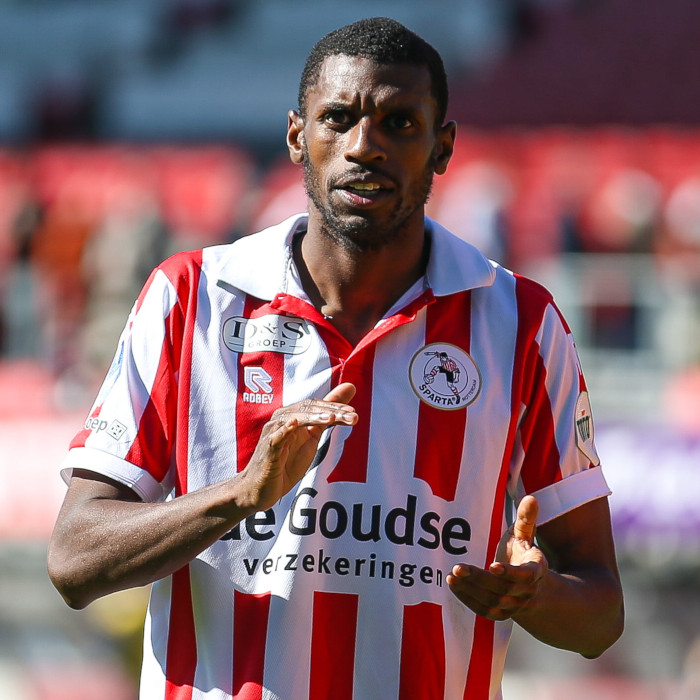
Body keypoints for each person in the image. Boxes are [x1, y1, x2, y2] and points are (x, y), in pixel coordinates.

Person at [48, 17, 624, 700]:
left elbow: (600, 615)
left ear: (442, 147)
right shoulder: (192, 297)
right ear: (298, 136)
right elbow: (74, 559)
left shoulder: (521, 323)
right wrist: (241, 494)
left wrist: (535, 594)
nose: (364, 146)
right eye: (338, 119)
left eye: (399, 123)